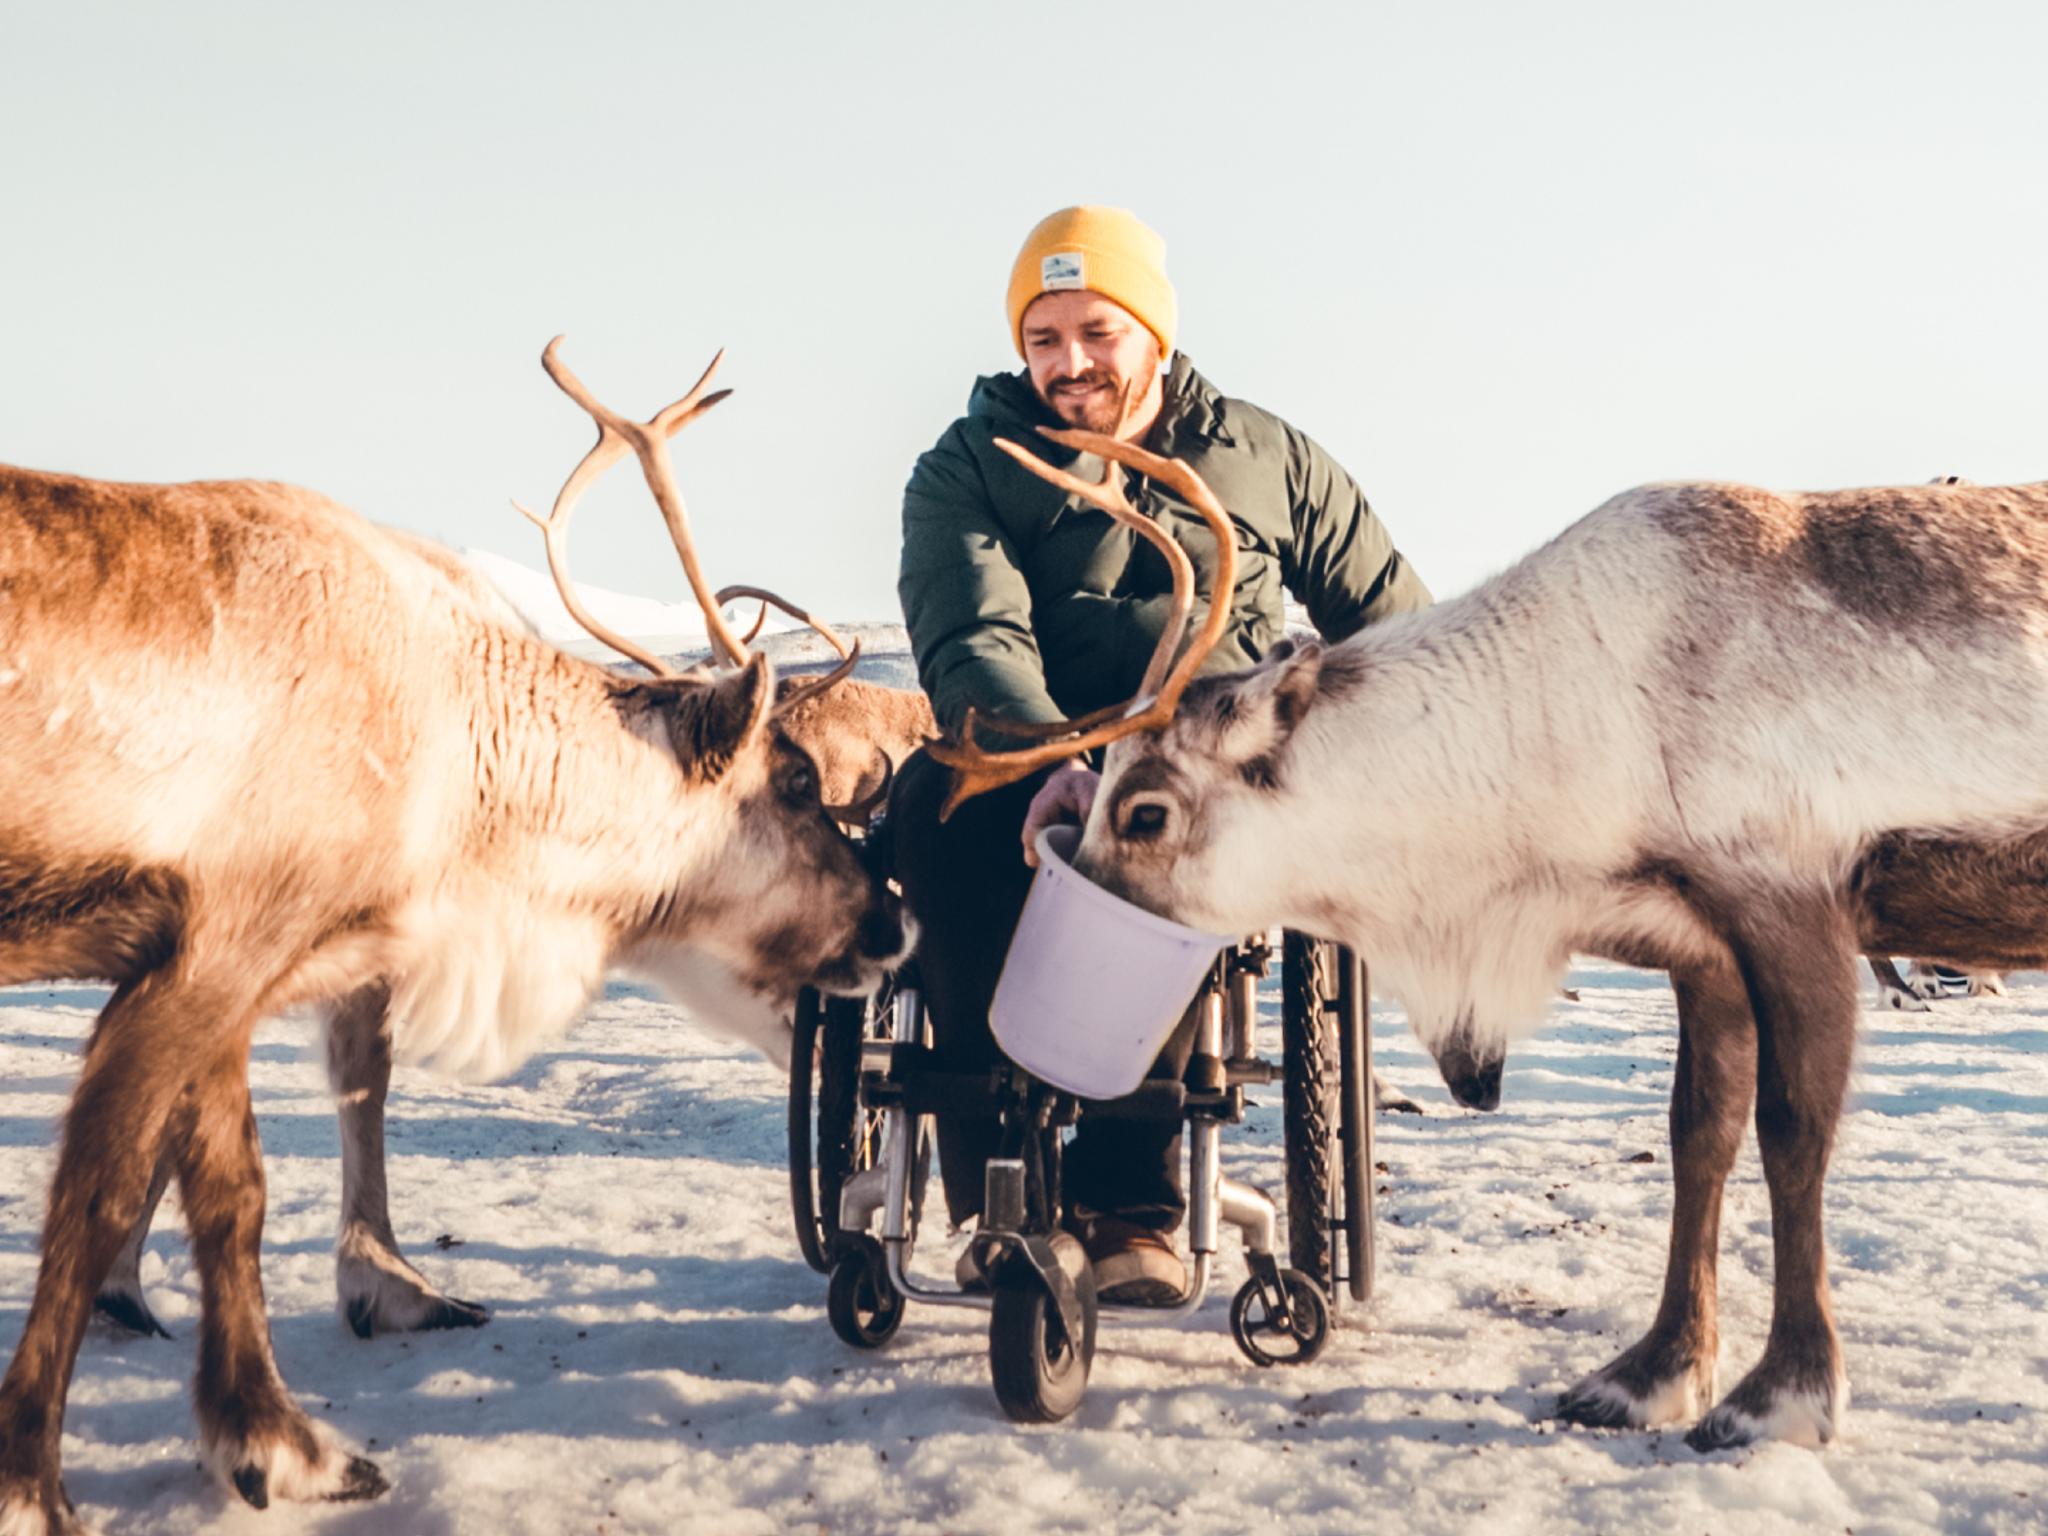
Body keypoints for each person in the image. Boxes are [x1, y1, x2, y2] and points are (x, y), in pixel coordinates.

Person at [891, 205, 1431, 1302]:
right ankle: (998, 1186)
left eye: (1097, 332)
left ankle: (1128, 1201)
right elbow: (971, 633)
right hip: (1036, 754)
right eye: (1042, 339)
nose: (1069, 363)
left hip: (1214, 769)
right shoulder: (968, 467)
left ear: (1153, 331)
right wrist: (1042, 760)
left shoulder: (1267, 457)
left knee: (1183, 834)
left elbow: (1395, 623)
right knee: (934, 817)